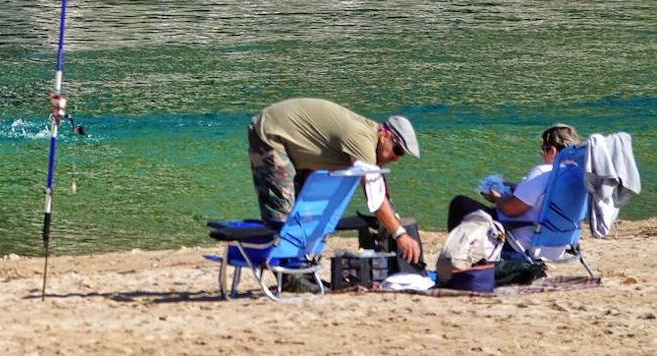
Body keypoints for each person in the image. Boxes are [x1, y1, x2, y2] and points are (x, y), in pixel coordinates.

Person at [248, 97, 422, 266]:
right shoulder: (362, 140)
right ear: (384, 135)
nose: (396, 158)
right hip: (270, 132)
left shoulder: (369, 141)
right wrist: (400, 235)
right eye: (397, 150)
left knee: (308, 210)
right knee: (282, 212)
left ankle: (299, 266)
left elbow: (380, 187)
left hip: (296, 140)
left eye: (402, 154)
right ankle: (285, 272)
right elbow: (375, 199)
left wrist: (393, 219)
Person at [446, 124, 582, 255]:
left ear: (552, 151)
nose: (541, 153)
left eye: (543, 148)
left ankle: (459, 261)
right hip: (559, 245)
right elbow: (543, 199)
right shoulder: (579, 175)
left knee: (460, 204)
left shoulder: (543, 172)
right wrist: (517, 188)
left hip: (523, 243)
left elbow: (510, 210)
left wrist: (496, 198)